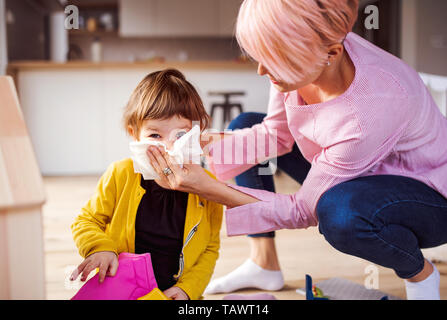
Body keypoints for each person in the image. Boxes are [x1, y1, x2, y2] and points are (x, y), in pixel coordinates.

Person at [147, 0, 447, 300]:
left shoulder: (371, 108)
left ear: (331, 54)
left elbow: (302, 209)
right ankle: (263, 264)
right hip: (362, 170)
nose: (262, 70)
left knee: (339, 214)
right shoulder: (305, 54)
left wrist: (209, 188)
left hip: (428, 194)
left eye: (273, 59)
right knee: (246, 124)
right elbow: (274, 135)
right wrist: (205, 144)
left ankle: (420, 274)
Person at [70, 69, 223, 300]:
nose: (168, 147)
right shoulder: (121, 174)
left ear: (196, 134)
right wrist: (100, 247)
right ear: (134, 134)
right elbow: (86, 220)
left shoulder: (208, 188)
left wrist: (188, 289)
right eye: (155, 136)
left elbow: (210, 247)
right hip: (122, 290)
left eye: (180, 136)